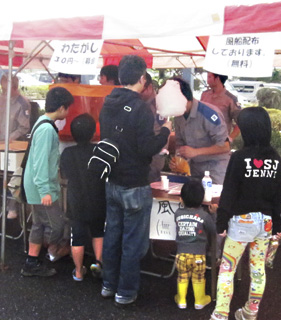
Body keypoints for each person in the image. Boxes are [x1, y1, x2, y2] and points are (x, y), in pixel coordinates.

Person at [99, 55, 172, 305]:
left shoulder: (107, 103)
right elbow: (145, 148)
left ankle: (109, 285)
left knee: (113, 236)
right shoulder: (140, 107)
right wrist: (165, 131)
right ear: (142, 79)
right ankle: (126, 292)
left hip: (112, 180)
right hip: (134, 183)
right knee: (132, 242)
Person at [209, 107, 281, 320]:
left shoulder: (240, 157)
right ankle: (251, 312)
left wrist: (221, 222)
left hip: (242, 221)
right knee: (258, 269)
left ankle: (220, 315)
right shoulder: (275, 158)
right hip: (266, 222)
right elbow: (279, 194)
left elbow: (230, 191)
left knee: (227, 269)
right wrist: (277, 225)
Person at [20, 87, 74, 277]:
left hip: (36, 185)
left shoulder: (42, 123)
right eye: (68, 108)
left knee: (39, 224)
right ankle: (41, 256)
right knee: (56, 225)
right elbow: (41, 162)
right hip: (40, 186)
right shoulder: (46, 129)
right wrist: (45, 191)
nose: (68, 113)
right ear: (61, 108)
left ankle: (32, 261)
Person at [60, 113, 106, 281]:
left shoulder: (67, 153)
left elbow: (64, 175)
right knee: (98, 233)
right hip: (98, 199)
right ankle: (98, 264)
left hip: (76, 200)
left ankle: (79, 271)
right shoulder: (99, 151)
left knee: (77, 237)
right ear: (94, 132)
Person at [0, 74, 31, 219]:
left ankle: (13, 207)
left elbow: (24, 128)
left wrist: (10, 138)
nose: (4, 92)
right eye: (2, 89)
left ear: (14, 87)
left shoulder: (23, 103)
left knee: (13, 176)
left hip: (15, 143)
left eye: (6, 90)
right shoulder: (1, 99)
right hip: (1, 140)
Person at [170, 77, 230, 184]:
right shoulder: (178, 115)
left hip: (215, 169)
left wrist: (196, 152)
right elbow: (180, 143)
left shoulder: (209, 113)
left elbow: (225, 146)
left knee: (213, 200)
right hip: (195, 168)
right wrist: (178, 160)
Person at [174, 180, 216, 310]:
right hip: (199, 255)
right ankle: (199, 300)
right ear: (202, 198)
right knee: (199, 277)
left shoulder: (177, 214)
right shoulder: (204, 215)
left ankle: (181, 300)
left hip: (181, 254)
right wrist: (213, 214)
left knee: (182, 276)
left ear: (181, 199)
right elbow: (213, 230)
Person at [141, 72, 169, 182]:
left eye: (141, 90)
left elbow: (162, 132)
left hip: (154, 158)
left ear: (149, 88)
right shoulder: (144, 105)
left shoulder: (157, 105)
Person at [201, 72, 242, 145]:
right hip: (202, 142)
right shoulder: (204, 95)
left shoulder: (230, 99)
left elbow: (240, 123)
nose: (207, 81)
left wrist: (229, 139)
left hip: (220, 144)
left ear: (217, 79)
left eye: (209, 77)